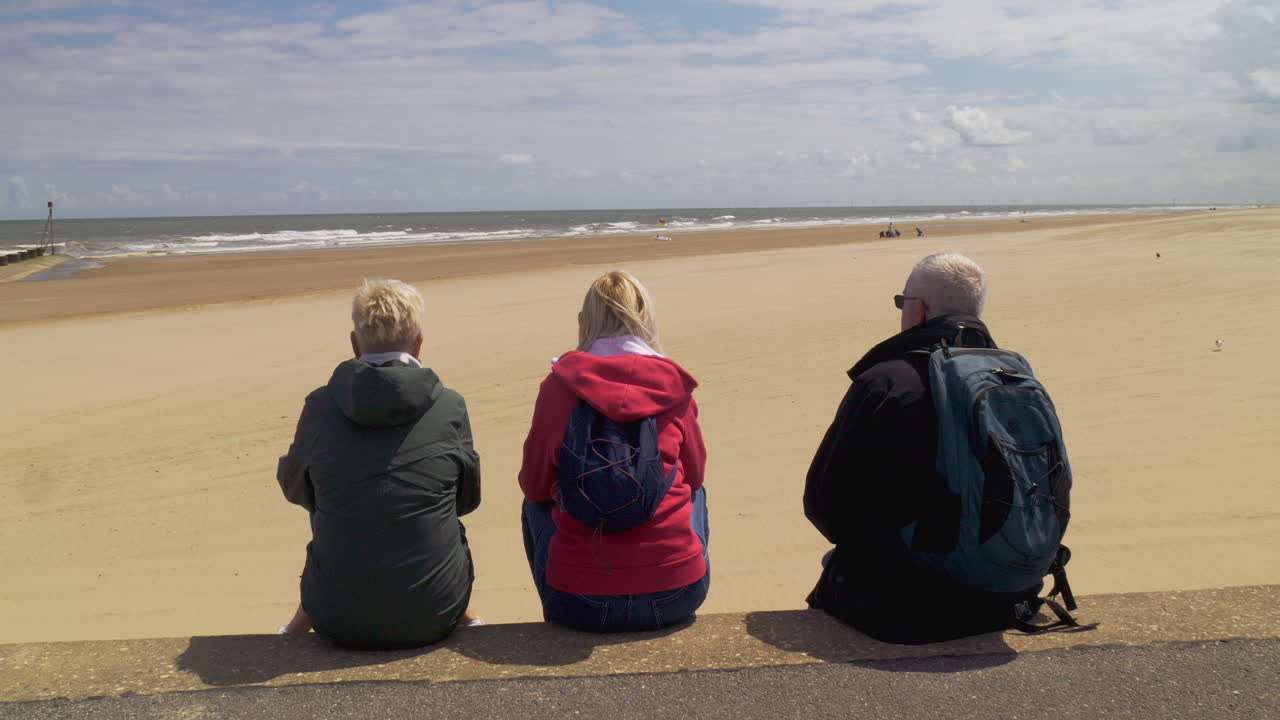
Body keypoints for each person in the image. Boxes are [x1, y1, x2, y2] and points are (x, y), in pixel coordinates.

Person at [803, 253, 1042, 644]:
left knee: (838, 566)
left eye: (902, 302)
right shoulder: (1013, 376)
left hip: (913, 604)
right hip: (1011, 587)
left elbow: (824, 501)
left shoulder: (887, 380)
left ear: (917, 310)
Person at [277, 279, 481, 649]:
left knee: (338, 493)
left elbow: (294, 488)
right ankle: (466, 614)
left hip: (335, 616)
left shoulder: (320, 406)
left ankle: (300, 621)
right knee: (426, 502)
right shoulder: (449, 405)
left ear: (355, 344)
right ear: (419, 342)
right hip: (435, 612)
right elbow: (467, 499)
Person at [518, 270, 709, 632]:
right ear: (646, 319)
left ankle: (565, 584)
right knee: (695, 491)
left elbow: (534, 485)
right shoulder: (673, 385)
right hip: (676, 595)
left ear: (584, 321)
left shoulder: (558, 387)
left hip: (579, 602)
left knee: (534, 502)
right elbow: (696, 475)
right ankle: (672, 561)